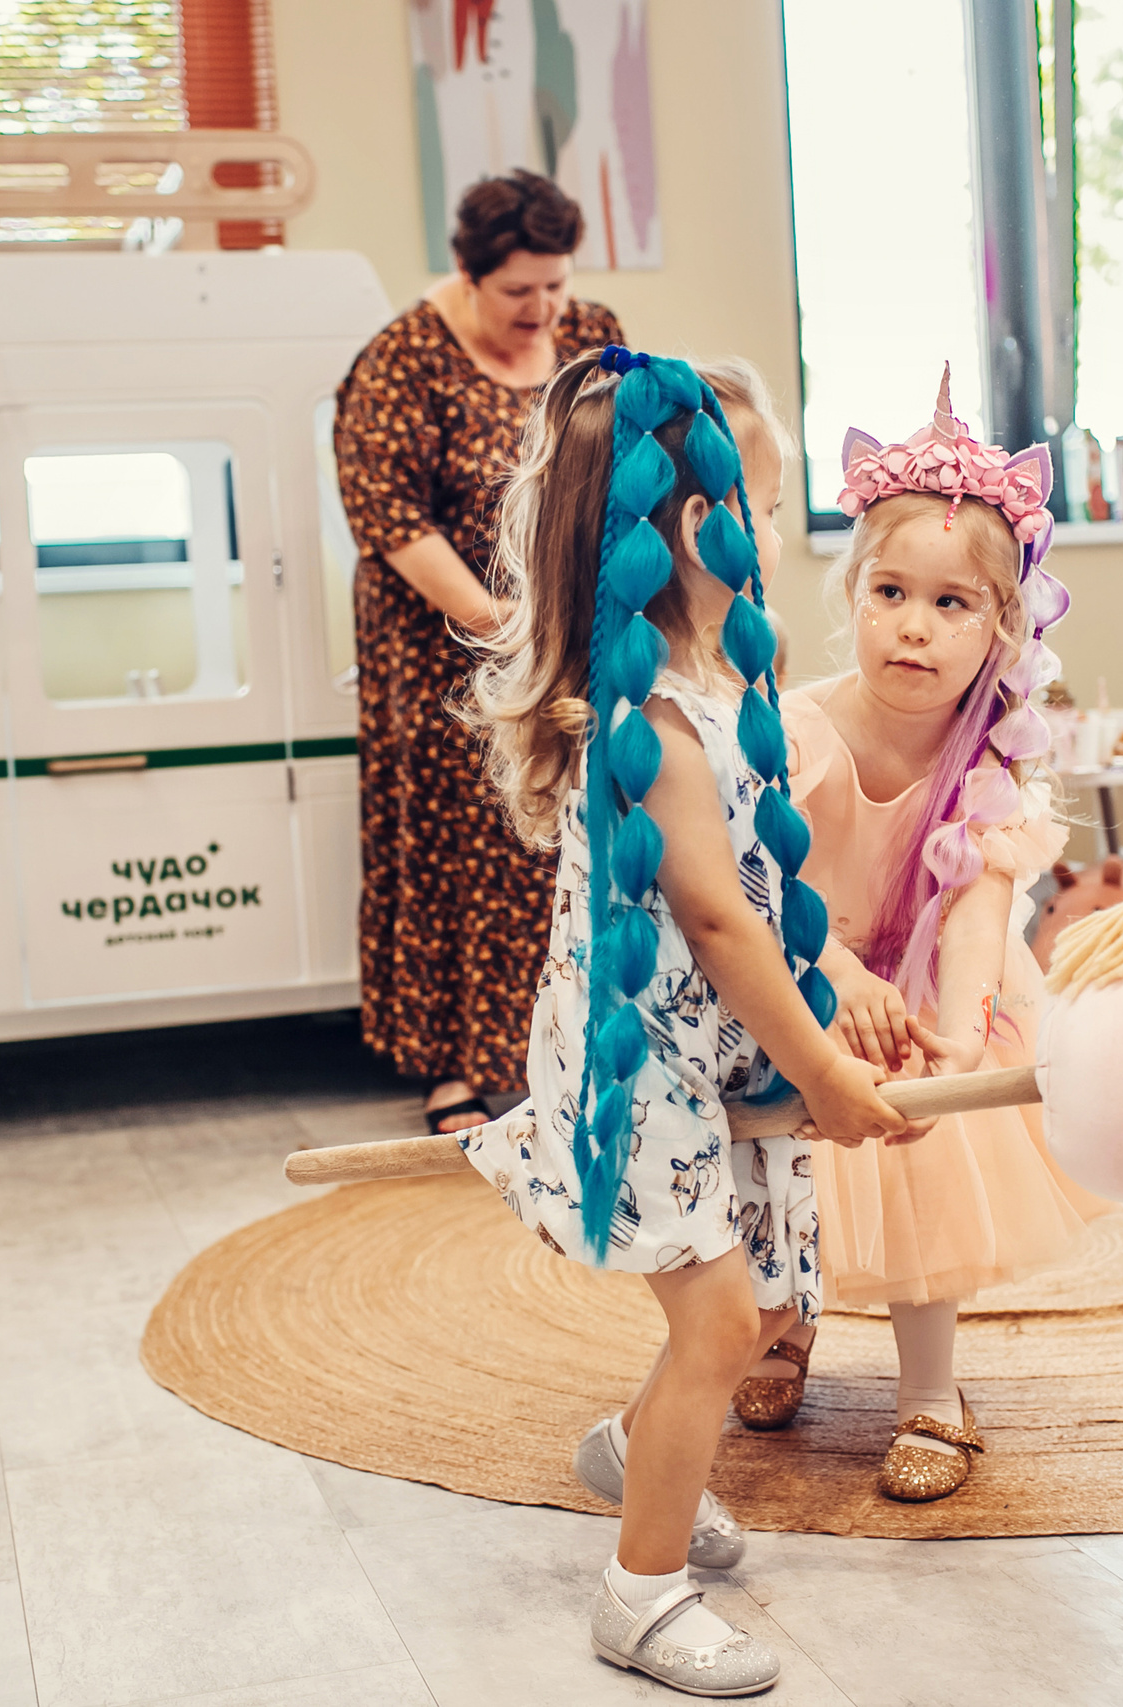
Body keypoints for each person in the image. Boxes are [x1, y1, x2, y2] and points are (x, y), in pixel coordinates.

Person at [456, 348, 923, 1695]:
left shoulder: (709, 681)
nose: (765, 535)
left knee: (765, 1305)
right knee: (721, 1323)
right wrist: (820, 1065)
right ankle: (640, 1592)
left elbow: (770, 904)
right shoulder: (651, 717)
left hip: (712, 1041)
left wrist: (832, 1012)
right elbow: (717, 921)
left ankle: (634, 1440)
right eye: (749, 506)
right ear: (668, 532)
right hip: (643, 1052)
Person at [726, 374, 1111, 1503]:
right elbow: (759, 885)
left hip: (932, 982)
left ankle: (930, 1390)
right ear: (851, 593)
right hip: (797, 971)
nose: (914, 625)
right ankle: (784, 1326)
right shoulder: (793, 729)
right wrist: (834, 977)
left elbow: (981, 912)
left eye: (953, 605)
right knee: (781, 1160)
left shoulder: (984, 760)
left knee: (929, 1156)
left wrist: (954, 1039)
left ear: (1002, 626)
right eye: (890, 591)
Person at [334, 170, 624, 1132]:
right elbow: (390, 517)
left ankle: (567, 1042)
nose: (543, 310)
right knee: (455, 846)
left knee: (558, 837)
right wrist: (502, 623)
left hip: (563, 633)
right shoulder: (401, 360)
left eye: (554, 284)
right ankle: (451, 1069)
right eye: (518, 292)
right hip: (438, 649)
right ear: (467, 273)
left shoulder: (590, 334)